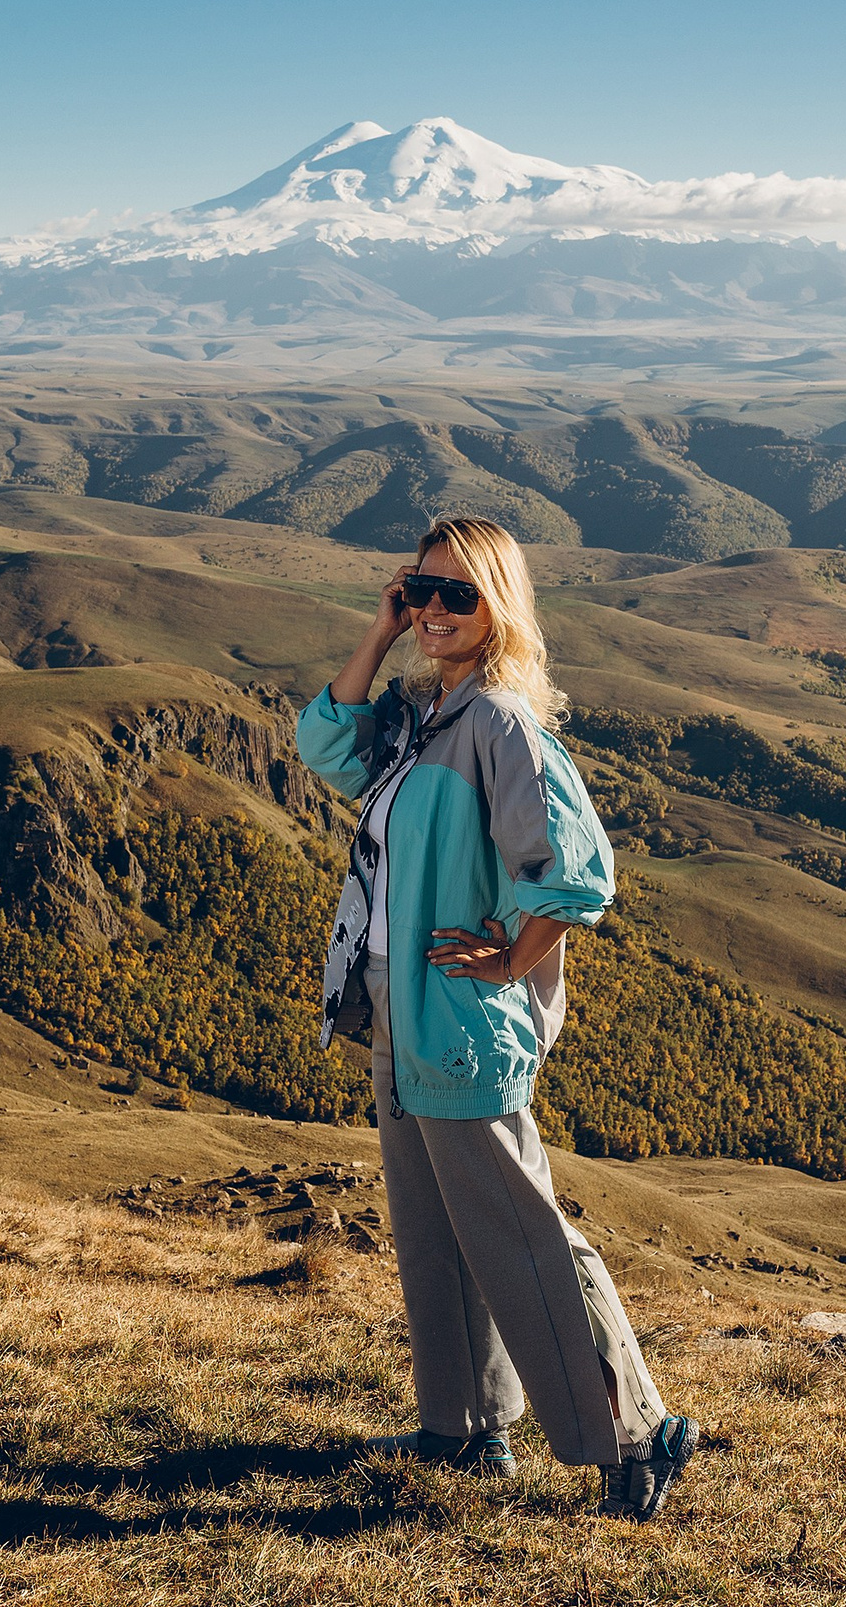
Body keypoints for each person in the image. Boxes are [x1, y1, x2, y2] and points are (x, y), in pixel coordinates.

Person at [295, 514, 699, 1522]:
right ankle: (465, 1430)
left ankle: (638, 1431)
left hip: (461, 1014)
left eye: (456, 595)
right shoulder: (423, 715)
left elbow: (574, 875)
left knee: (519, 1231)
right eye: (419, 590)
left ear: (499, 608)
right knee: (434, 1229)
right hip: (397, 1002)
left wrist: (511, 962)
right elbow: (324, 747)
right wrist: (379, 634)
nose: (434, 608)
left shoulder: (500, 727)